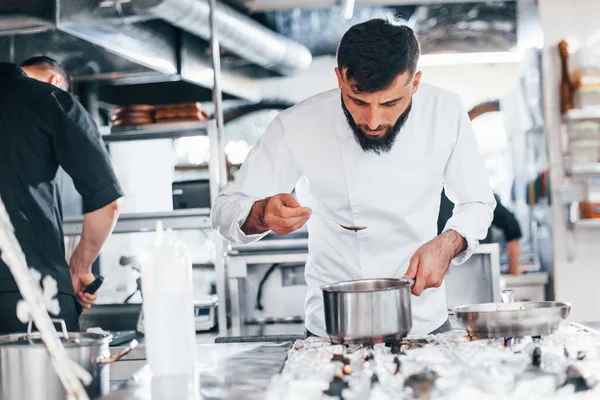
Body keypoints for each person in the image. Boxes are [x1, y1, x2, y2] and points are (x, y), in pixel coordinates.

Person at [211, 19, 496, 336]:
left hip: (422, 321)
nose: (373, 121)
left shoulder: (445, 111)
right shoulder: (298, 125)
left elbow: (478, 201)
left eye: (390, 103)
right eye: (358, 101)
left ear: (415, 83)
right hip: (333, 325)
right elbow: (224, 210)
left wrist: (446, 245)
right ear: (339, 78)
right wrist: (262, 213)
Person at [0, 56, 123, 334]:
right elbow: (107, 203)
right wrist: (81, 265)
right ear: (57, 81)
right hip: (29, 291)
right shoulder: (52, 99)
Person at [438, 190, 522, 275]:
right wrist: (513, 268)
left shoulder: (431, 196)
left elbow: (512, 227)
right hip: (482, 272)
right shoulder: (478, 193)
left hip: (444, 273)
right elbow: (512, 226)